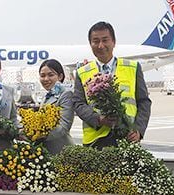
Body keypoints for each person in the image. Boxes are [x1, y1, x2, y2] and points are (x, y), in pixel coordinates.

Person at [73, 21, 151, 149]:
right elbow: (78, 103)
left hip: (127, 137)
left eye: (105, 40)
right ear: (90, 44)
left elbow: (144, 101)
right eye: (96, 41)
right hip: (95, 141)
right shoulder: (82, 72)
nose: (101, 45)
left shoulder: (133, 67)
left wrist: (138, 130)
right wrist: (98, 119)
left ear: (113, 42)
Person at [38, 59, 75, 154]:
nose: (46, 79)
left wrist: (40, 135)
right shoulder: (46, 97)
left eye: (51, 75)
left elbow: (64, 126)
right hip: (47, 151)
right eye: (42, 75)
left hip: (61, 151)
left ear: (60, 76)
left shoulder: (66, 95)